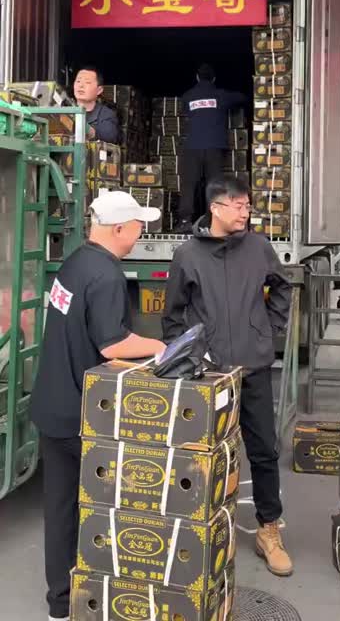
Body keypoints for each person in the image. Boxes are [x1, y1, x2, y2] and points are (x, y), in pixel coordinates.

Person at [31, 192, 166, 621]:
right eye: (138, 226)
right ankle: (110, 595)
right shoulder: (107, 275)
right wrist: (161, 347)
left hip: (51, 405)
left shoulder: (74, 263)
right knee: (111, 506)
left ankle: (60, 604)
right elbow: (113, 344)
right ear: (120, 228)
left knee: (60, 509)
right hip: (83, 415)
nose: (141, 233)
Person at [163, 175, 293, 576]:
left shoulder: (258, 248)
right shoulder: (187, 255)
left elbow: (282, 288)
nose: (245, 212)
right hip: (208, 374)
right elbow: (173, 314)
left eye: (247, 205)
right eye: (238, 205)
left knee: (264, 450)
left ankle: (269, 530)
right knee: (200, 453)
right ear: (215, 208)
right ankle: (195, 530)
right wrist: (188, 357)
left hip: (253, 367)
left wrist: (268, 330)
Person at [176, 63, 245, 233]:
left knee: (189, 185)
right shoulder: (221, 95)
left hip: (193, 147)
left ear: (197, 77)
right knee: (213, 185)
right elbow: (242, 98)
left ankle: (185, 221)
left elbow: (185, 111)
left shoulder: (188, 96)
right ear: (213, 79)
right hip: (214, 148)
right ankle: (211, 221)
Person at [73, 66, 120, 143]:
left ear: (99, 90)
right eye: (78, 81)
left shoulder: (107, 115)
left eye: (87, 82)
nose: (81, 85)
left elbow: (109, 136)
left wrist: (88, 130)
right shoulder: (64, 110)